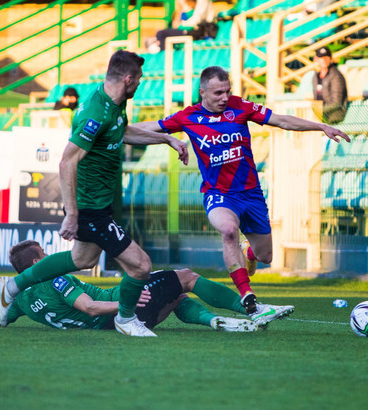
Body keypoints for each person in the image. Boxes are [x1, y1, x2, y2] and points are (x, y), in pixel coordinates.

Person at [0, 50, 189, 337]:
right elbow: (67, 161)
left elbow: (121, 132)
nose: (140, 85)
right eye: (139, 80)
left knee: (83, 260)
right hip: (89, 207)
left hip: (99, 203)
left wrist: (166, 138)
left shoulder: (113, 105)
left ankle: (12, 286)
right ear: (128, 78)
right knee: (141, 265)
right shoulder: (95, 112)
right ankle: (126, 318)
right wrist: (72, 214)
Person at [134, 66, 351, 325]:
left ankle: (248, 253)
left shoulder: (241, 107)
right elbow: (146, 128)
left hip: (251, 194)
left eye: (227, 91)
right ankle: (248, 297)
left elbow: (282, 120)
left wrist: (320, 126)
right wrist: (114, 130)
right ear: (202, 92)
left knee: (265, 257)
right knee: (228, 230)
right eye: (218, 93)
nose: (224, 97)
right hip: (219, 195)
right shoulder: (187, 117)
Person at [0, 240, 257, 332]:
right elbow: (90, 307)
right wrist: (126, 304)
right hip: (123, 309)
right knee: (187, 277)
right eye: (43, 255)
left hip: (123, 322)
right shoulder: (56, 279)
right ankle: (251, 308)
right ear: (34, 265)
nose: (48, 259)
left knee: (177, 297)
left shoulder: (19, 302)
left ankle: (214, 320)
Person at [149, 0, 216, 52]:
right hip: (191, 29)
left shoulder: (201, 1)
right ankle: (160, 50)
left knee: (161, 34)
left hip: (198, 30)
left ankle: (163, 57)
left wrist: (180, 25)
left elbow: (196, 21)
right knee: (154, 37)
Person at [312, 46, 348, 125]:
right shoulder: (315, 76)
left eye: (327, 57)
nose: (324, 60)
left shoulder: (336, 76)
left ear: (330, 58)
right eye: (321, 57)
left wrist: (319, 110)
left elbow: (336, 103)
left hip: (334, 118)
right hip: (321, 117)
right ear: (316, 59)